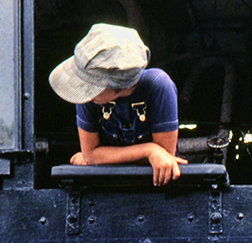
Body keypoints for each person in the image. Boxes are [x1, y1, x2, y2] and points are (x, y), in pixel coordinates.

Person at [49, 23, 186, 186]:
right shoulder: (86, 96)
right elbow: (91, 155)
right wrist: (149, 150)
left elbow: (164, 161)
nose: (84, 91)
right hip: (105, 185)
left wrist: (102, 159)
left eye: (90, 88)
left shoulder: (158, 85)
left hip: (154, 187)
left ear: (121, 86)